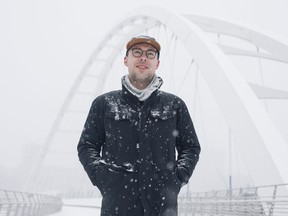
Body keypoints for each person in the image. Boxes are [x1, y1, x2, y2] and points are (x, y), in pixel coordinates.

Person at [77, 35, 201, 216]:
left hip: (162, 207)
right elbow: (87, 146)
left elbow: (190, 147)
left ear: (157, 63)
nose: (143, 57)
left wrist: (176, 179)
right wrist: (102, 177)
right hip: (117, 206)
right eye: (137, 52)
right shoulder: (104, 104)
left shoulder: (175, 105)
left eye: (150, 54)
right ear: (126, 60)